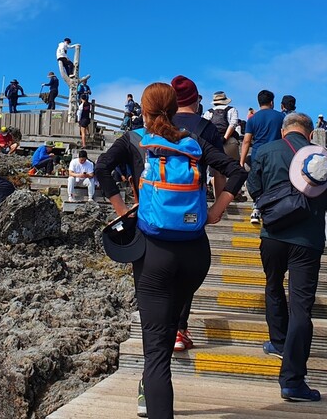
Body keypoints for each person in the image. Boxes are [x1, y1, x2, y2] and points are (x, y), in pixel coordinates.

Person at [95, 83, 249, 419]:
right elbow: (236, 171)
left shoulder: (134, 139)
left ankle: (151, 394)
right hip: (196, 254)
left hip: (154, 253)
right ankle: (170, 342)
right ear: (176, 107)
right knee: (167, 330)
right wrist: (216, 210)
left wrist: (123, 210)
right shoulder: (193, 142)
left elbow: (101, 168)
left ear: (144, 111)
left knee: (155, 353)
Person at [247, 112, 327, 403]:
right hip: (307, 240)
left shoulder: (265, 150)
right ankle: (292, 382)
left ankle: (277, 341)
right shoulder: (323, 156)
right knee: (301, 307)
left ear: (284, 130)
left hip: (272, 235)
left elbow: (254, 188)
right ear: (310, 133)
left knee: (273, 285)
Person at [169, 75, 224, 353]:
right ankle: (179, 329)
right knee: (190, 267)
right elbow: (220, 169)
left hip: (160, 206)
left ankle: (164, 328)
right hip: (193, 204)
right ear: (196, 99)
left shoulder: (160, 125)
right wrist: (218, 206)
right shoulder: (207, 128)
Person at [242, 91, 286, 226]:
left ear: (259, 102)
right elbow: (285, 137)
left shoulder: (253, 118)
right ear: (272, 102)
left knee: (257, 183)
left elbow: (246, 141)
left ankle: (256, 209)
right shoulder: (281, 117)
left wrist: (241, 160)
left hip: (257, 155)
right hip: (276, 155)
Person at [204, 91, 241, 164]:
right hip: (230, 141)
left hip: (213, 143)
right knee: (233, 167)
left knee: (216, 171)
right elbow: (233, 124)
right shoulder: (232, 110)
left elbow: (205, 127)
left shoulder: (208, 112)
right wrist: (224, 139)